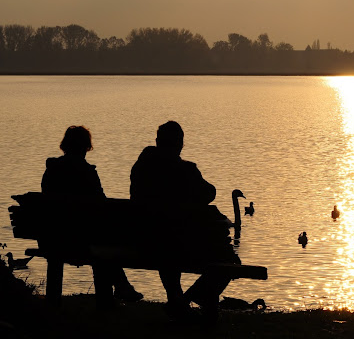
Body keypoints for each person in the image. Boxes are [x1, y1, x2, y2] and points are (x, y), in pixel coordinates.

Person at [130, 121, 238, 320]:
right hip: (179, 245)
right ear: (180, 144)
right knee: (229, 260)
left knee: (167, 243)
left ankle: (177, 300)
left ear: (157, 142)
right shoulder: (185, 171)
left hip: (144, 241)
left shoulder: (141, 167)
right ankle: (189, 299)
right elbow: (209, 193)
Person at [41, 125, 142, 306]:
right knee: (102, 244)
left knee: (99, 240)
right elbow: (101, 205)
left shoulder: (52, 170)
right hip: (79, 240)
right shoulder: (86, 173)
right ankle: (112, 294)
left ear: (65, 145)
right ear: (86, 147)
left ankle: (120, 287)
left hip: (52, 238)